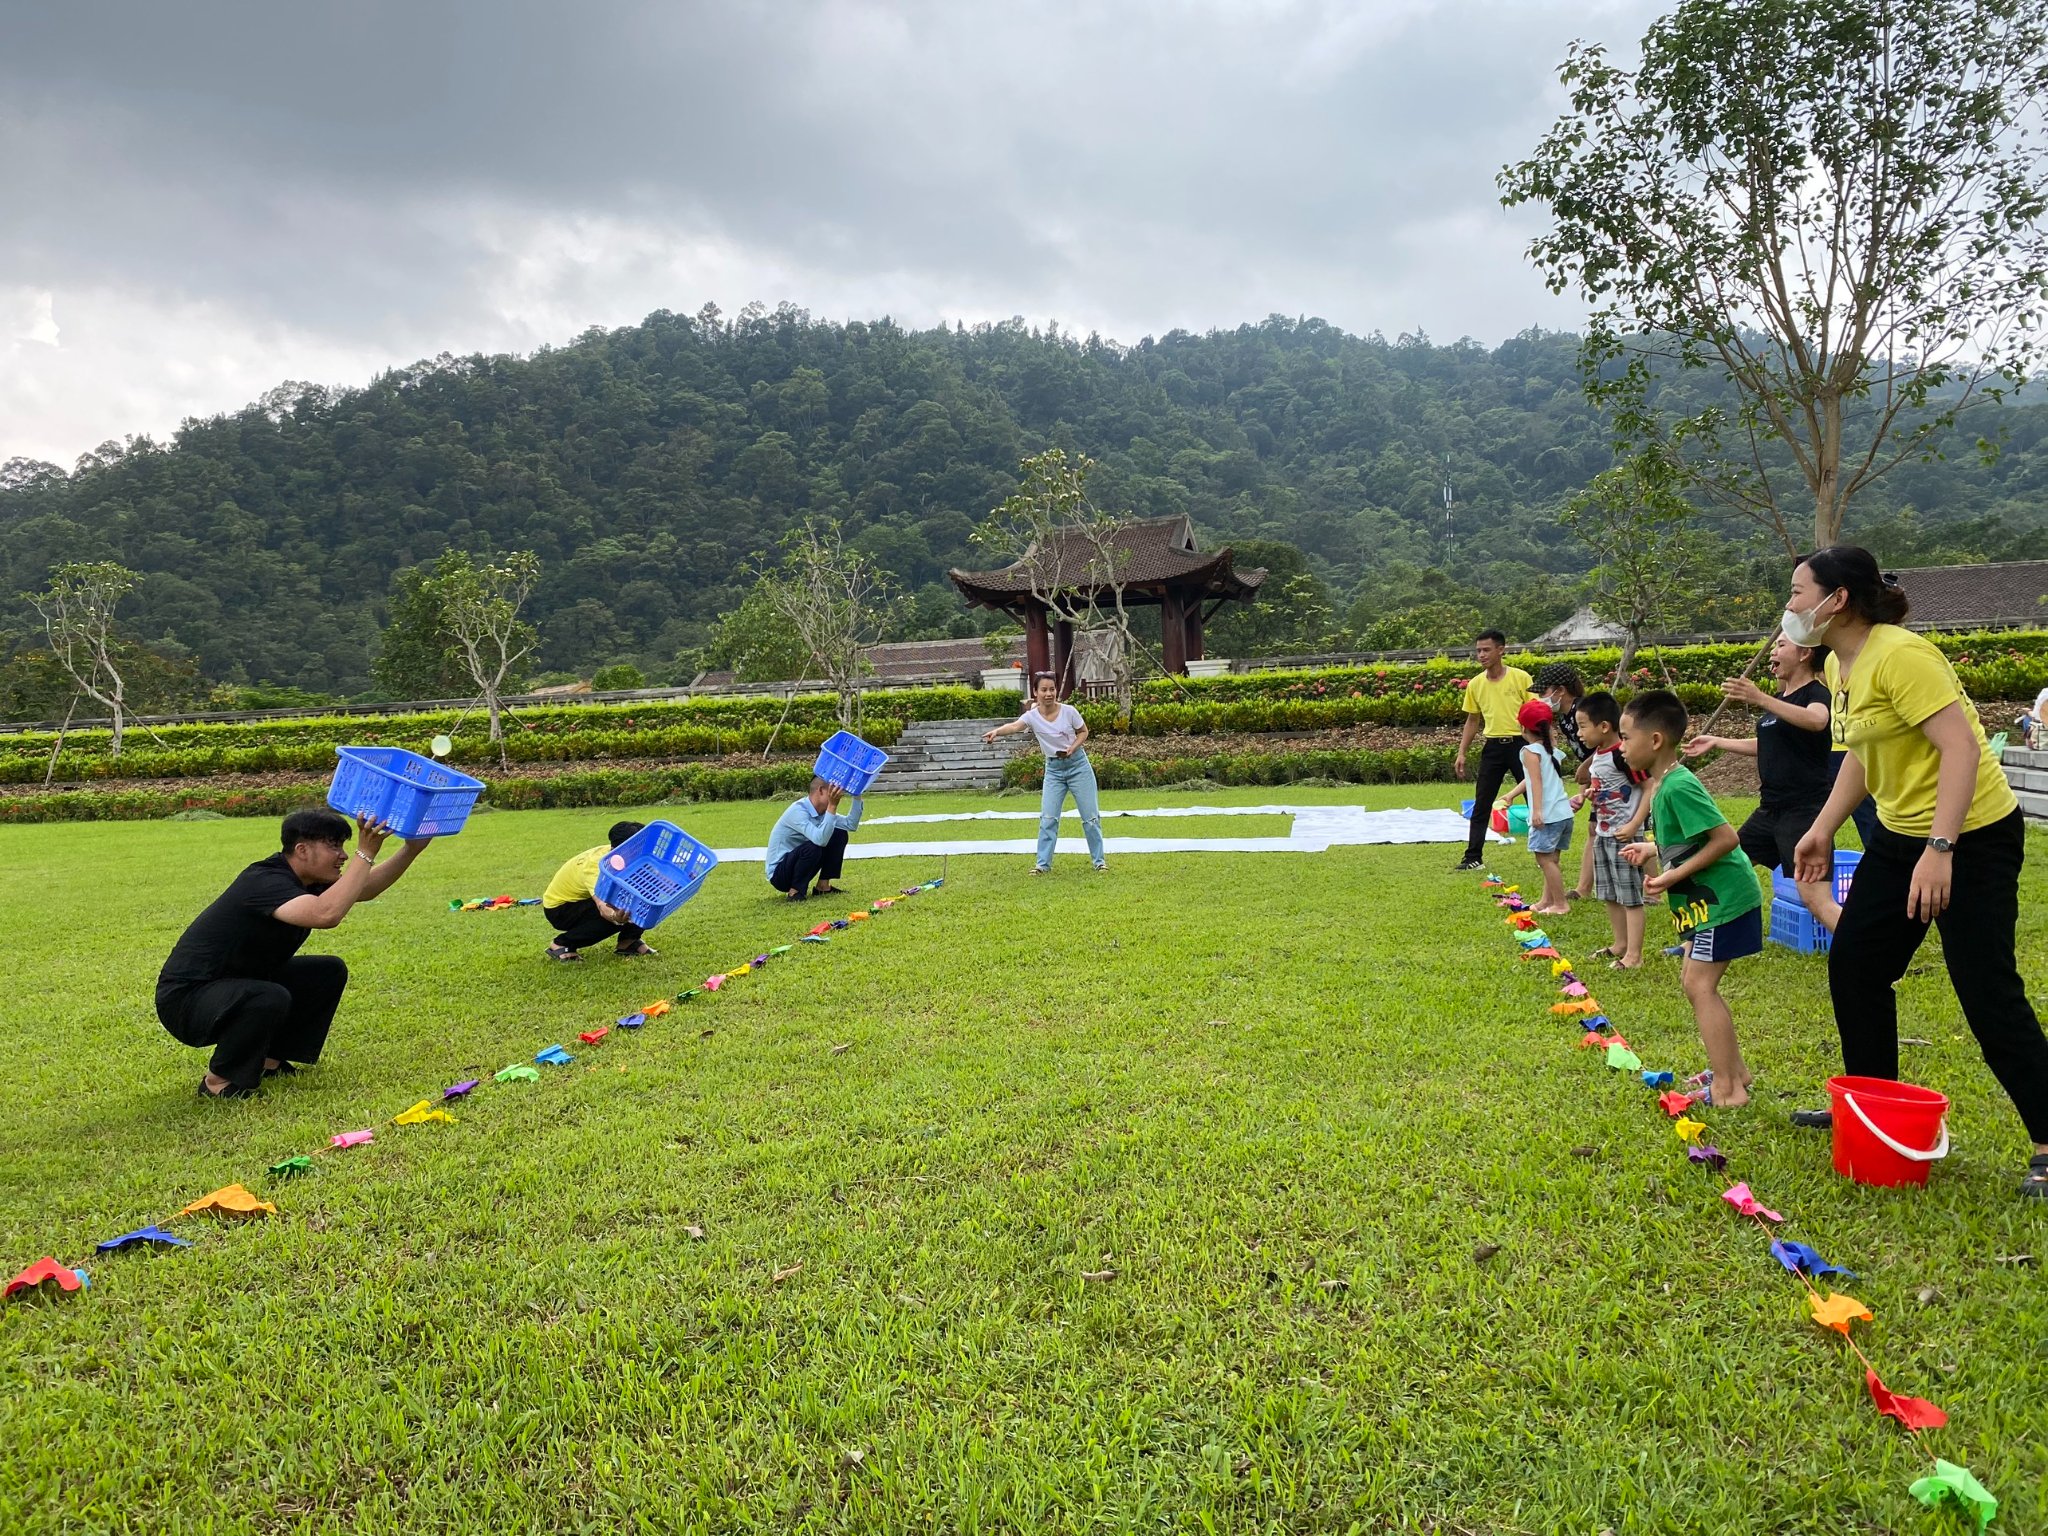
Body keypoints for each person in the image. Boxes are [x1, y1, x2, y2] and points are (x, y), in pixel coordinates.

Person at [1783, 547, 2048, 1198]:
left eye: (1796, 592)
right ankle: (1872, 1107)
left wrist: (1941, 848)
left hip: (1973, 835)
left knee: (1986, 988)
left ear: (1836, 599)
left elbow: (1959, 746)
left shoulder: (1900, 655)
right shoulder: (1846, 666)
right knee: (1856, 963)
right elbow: (1861, 759)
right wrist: (1821, 827)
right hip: (1903, 837)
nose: (1788, 607)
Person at [156, 808, 433, 1099]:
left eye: (343, 846)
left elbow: (362, 889)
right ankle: (218, 1083)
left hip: (235, 983)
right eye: (334, 845)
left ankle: (269, 1063)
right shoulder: (264, 880)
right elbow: (326, 914)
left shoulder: (307, 879)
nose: (343, 855)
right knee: (267, 995)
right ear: (302, 850)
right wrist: (366, 852)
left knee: (325, 972)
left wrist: (410, 850)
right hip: (187, 999)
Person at [1619, 689, 1762, 1109]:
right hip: (1709, 906)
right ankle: (1734, 1071)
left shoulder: (1679, 785)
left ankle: (1728, 1089)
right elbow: (1688, 839)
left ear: (1656, 740)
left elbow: (1725, 839)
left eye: (1627, 737)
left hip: (1726, 902)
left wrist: (1671, 875)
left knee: (1700, 985)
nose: (1622, 747)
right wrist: (1654, 852)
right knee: (1694, 982)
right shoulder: (1665, 784)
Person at [1684, 635, 1840, 930]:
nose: (1773, 652)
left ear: (1805, 653)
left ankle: (1869, 960)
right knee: (1726, 866)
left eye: (1781, 645)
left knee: (1815, 898)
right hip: (1769, 812)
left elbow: (1817, 721)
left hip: (1804, 813)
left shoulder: (1815, 694)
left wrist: (1759, 698)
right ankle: (1698, 942)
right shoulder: (1782, 700)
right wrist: (1717, 741)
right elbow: (1769, 742)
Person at [984, 672, 1106, 872]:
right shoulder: (1031, 716)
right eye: (1044, 690)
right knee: (1048, 818)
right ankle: (1042, 865)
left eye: (1052, 689)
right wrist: (997, 732)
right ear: (1035, 692)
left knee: (1090, 818)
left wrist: (1073, 747)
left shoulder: (1069, 711)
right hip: (1054, 770)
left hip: (1078, 766)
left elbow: (1083, 731)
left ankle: (1099, 862)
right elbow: (1015, 726)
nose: (1048, 694)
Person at [1575, 691, 1652, 968]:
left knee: (1630, 897)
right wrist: (1586, 796)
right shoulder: (1597, 756)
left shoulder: (1623, 755)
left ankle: (1634, 955)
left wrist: (1634, 825)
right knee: (1608, 893)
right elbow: (1605, 789)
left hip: (1626, 838)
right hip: (1604, 834)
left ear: (1604, 726)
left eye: (1583, 726)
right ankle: (1620, 943)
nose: (1579, 733)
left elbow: (1649, 787)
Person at [1453, 631, 1534, 871]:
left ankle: (1546, 852)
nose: (1481, 655)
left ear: (1501, 650)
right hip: (1493, 747)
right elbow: (1472, 720)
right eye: (1478, 650)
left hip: (1521, 744)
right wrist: (1462, 752)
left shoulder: (1521, 678)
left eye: (1486, 650)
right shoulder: (1476, 684)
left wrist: (1541, 747)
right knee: (1482, 803)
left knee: (1536, 799)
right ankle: (1473, 857)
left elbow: (1536, 713)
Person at [543, 820, 655, 961]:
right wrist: (615, 917)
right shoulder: (596, 867)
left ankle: (629, 942)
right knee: (618, 911)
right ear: (623, 849)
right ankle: (561, 944)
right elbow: (603, 907)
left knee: (643, 893)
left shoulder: (623, 855)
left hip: (583, 901)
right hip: (561, 909)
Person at [1516, 699, 1576, 915]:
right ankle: (1545, 901)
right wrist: (1512, 794)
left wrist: (1538, 811)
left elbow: (1537, 782)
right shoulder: (1551, 750)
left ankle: (1560, 904)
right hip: (1563, 814)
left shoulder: (1529, 751)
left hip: (1549, 816)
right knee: (1552, 859)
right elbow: (1532, 779)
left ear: (1522, 727)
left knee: (1544, 859)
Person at [765, 776, 865, 899]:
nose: (839, 794)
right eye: (833, 790)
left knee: (839, 833)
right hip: (780, 875)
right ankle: (795, 892)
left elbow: (850, 825)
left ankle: (823, 886)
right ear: (821, 790)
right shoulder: (798, 811)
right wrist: (832, 806)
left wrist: (857, 795)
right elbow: (820, 840)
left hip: (800, 865)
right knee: (813, 846)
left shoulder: (822, 812)